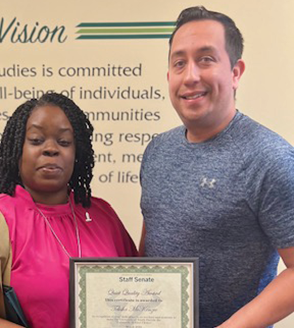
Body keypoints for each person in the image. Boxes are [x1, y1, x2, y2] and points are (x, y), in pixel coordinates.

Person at [139, 6, 294, 328]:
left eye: (206, 59)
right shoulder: (157, 151)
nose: (191, 75)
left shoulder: (269, 158)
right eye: (179, 63)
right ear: (169, 76)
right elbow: (151, 245)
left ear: (236, 72)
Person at [0, 92, 138, 328]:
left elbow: (136, 292)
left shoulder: (103, 216)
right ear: (17, 150)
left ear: (77, 153)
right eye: (36, 140)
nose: (51, 149)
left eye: (64, 142)